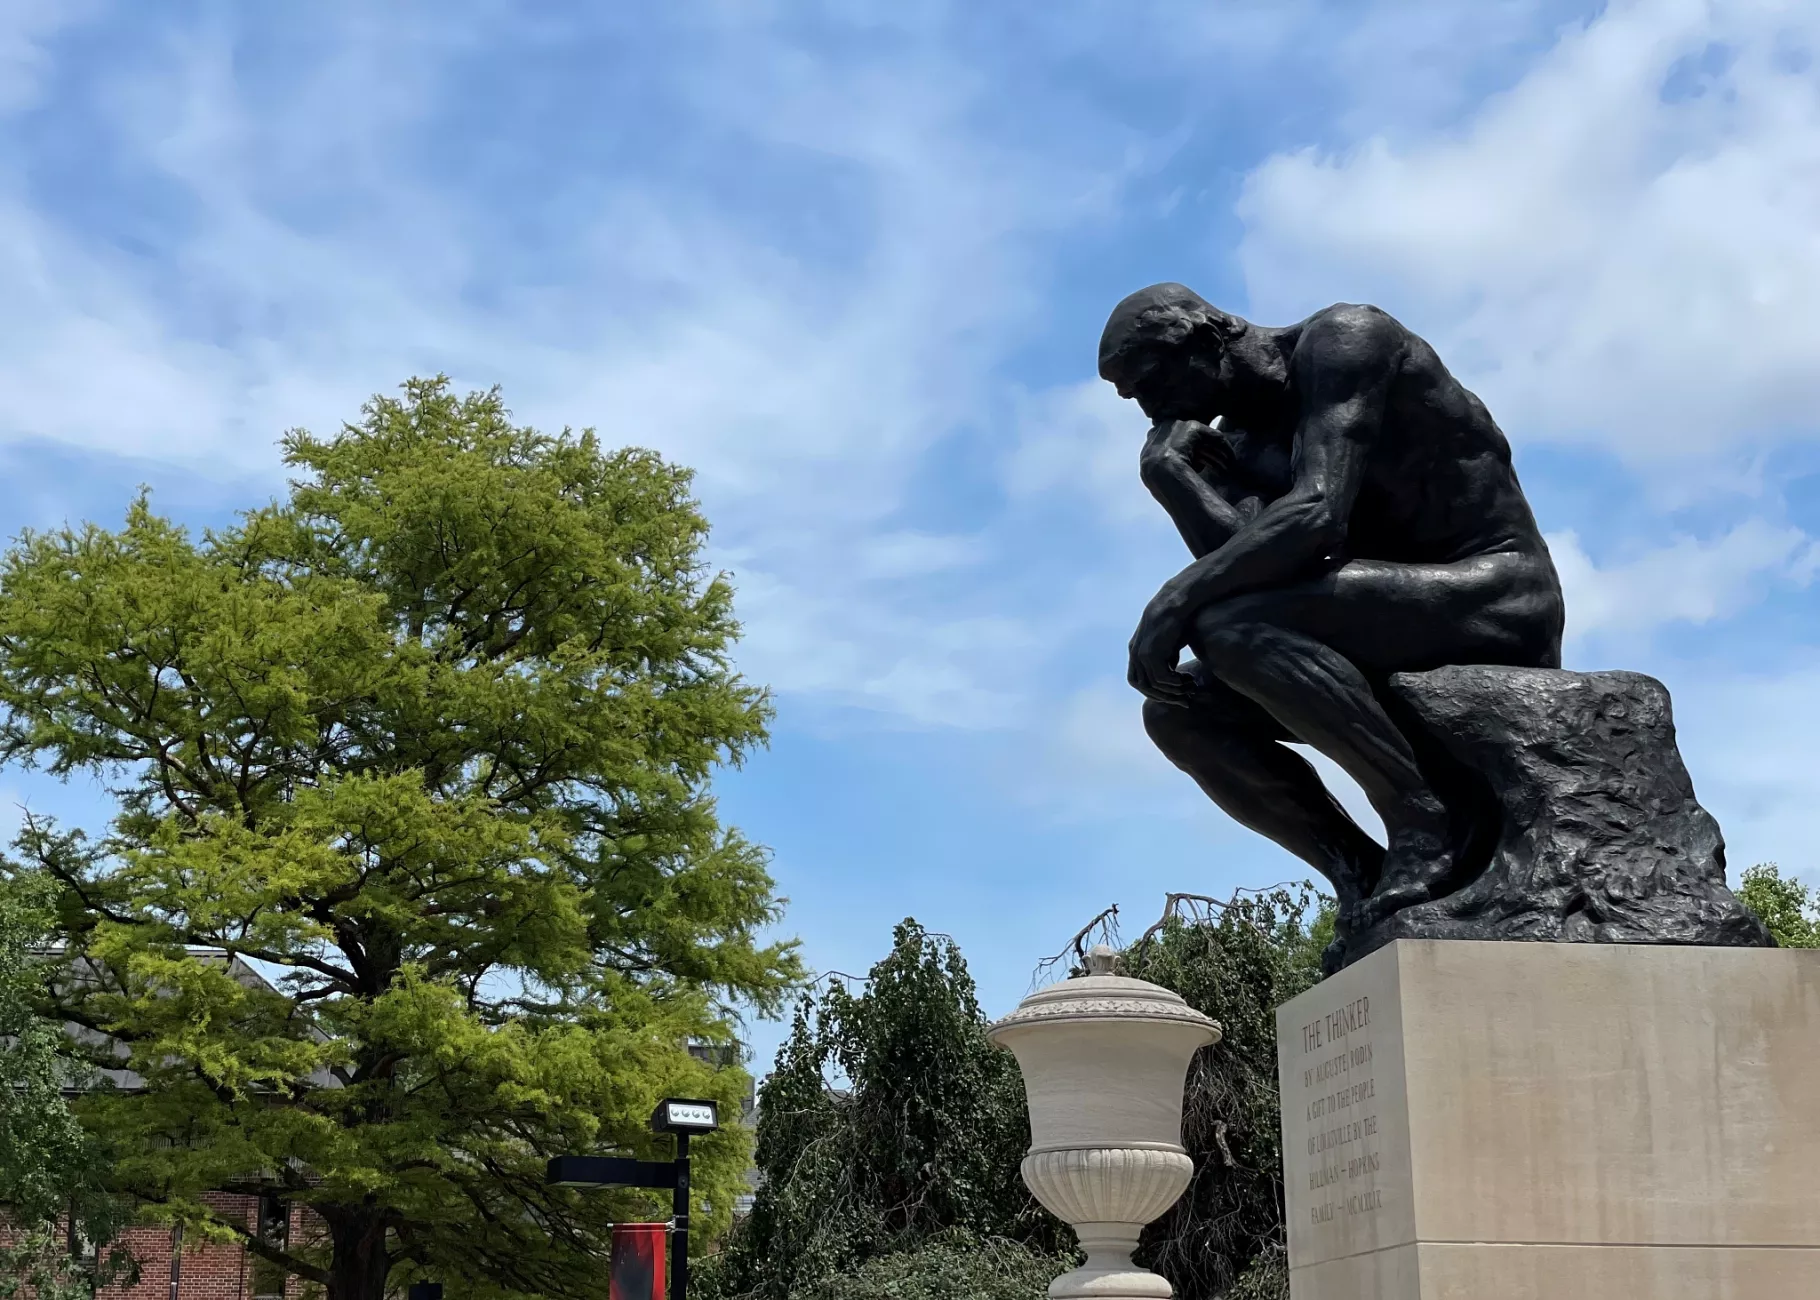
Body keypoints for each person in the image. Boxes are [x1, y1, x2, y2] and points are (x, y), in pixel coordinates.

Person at [1100, 283, 1564, 931]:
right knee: (1180, 713)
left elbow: (1317, 516)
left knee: (1229, 627)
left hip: (1494, 591)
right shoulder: (1238, 441)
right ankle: (1359, 873)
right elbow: (1253, 565)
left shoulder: (1344, 341)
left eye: (1151, 382)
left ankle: (1424, 819)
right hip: (1377, 617)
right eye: (1133, 399)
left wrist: (1172, 603)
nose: (1150, 409)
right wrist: (1173, 479)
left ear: (1207, 339)